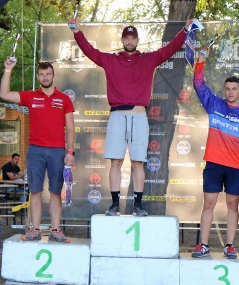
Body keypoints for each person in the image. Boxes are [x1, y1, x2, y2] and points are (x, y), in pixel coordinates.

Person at [69, 17, 192, 216]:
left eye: (133, 38)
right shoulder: (111, 60)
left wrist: (185, 31)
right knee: (116, 162)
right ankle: (114, 205)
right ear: (122, 40)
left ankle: (138, 205)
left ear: (137, 40)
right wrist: (77, 32)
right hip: (117, 116)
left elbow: (169, 50)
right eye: (126, 38)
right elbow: (90, 51)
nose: (129, 41)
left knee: (137, 163)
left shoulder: (148, 59)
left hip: (139, 116)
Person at [190, 50, 239, 260]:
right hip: (214, 163)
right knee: (208, 204)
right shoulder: (214, 104)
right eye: (227, 89)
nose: (230, 92)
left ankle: (229, 246)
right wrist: (200, 62)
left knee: (232, 205)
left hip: (235, 167)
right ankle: (203, 245)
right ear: (224, 90)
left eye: (234, 89)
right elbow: (198, 85)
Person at [0, 58, 75, 242]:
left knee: (55, 191)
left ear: (54, 75)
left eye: (48, 74)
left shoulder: (64, 99)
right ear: (38, 77)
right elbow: (4, 94)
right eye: (41, 74)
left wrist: (70, 152)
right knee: (35, 190)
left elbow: (71, 128)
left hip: (57, 151)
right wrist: (8, 70)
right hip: (36, 150)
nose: (45, 77)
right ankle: (35, 228)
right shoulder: (31, 96)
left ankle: (56, 229)